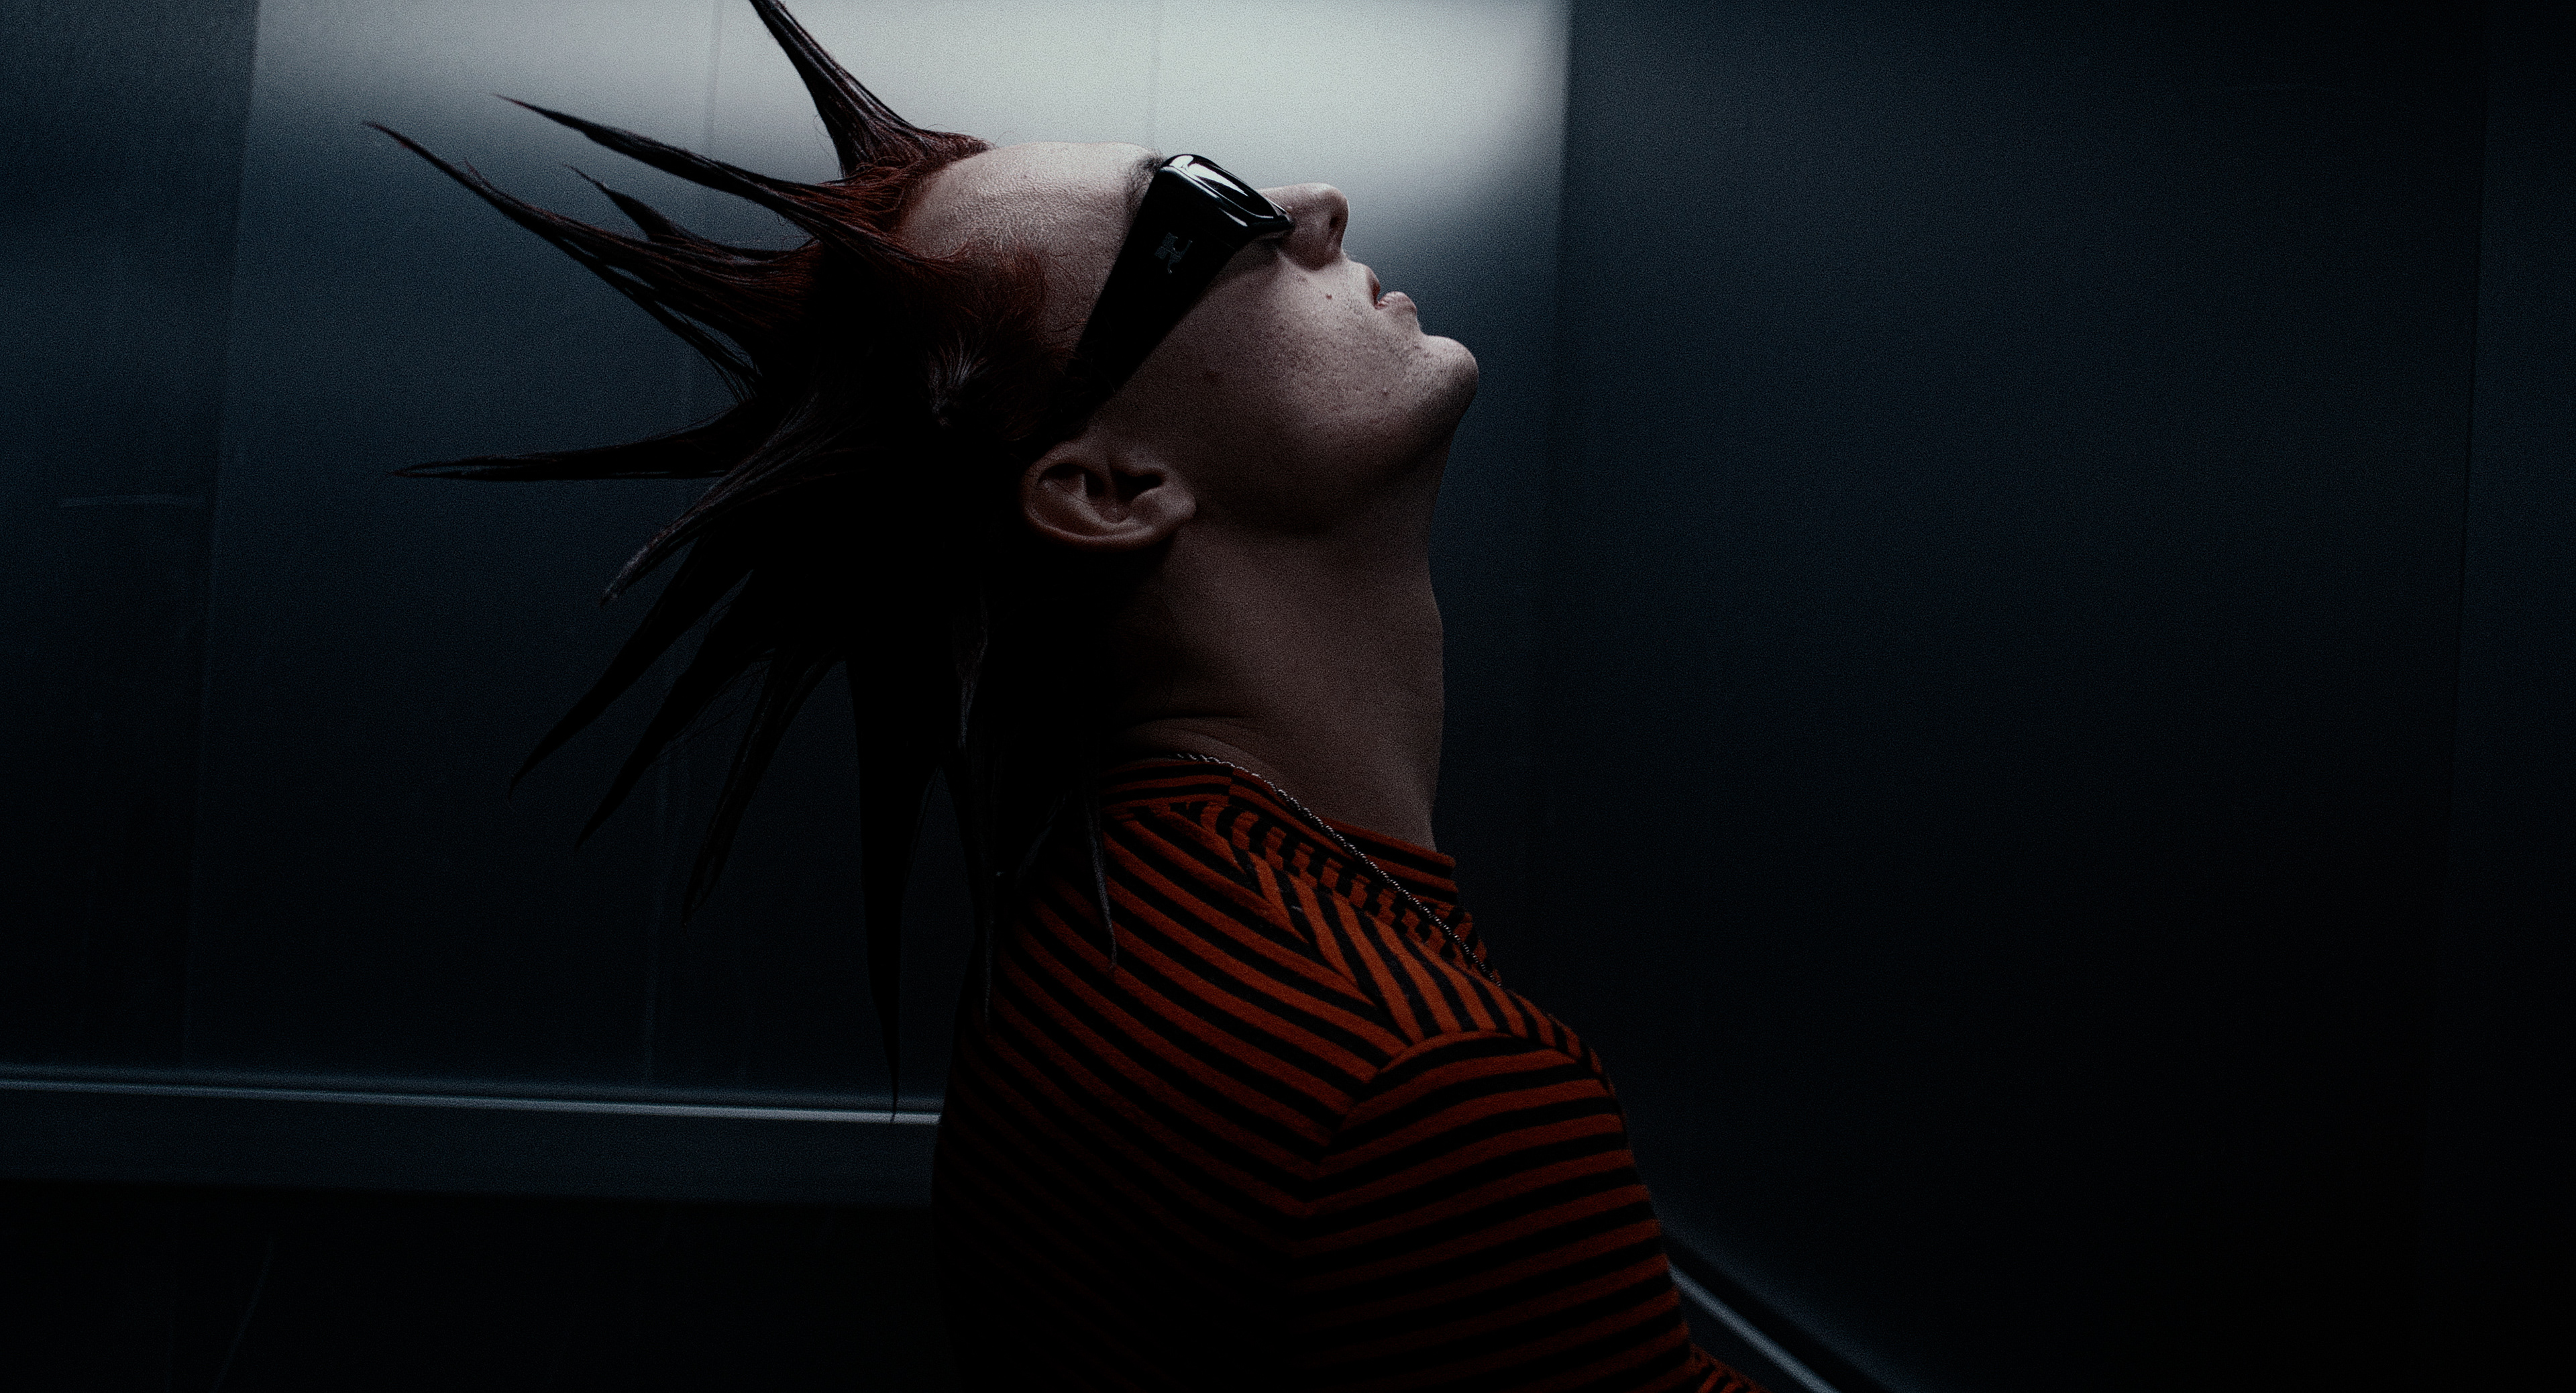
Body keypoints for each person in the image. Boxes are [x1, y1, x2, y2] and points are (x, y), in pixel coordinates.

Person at [383, 3, 1763, 1389]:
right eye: (1200, 215)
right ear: (1107, 490)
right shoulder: (1416, 1089)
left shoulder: (1098, 941)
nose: (1312, 206)